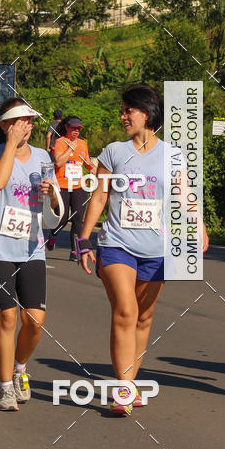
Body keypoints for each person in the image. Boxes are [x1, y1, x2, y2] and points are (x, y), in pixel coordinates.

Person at [79, 85, 208, 415]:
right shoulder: (113, 152)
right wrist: (83, 239)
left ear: (147, 114)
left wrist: (199, 224)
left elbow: (182, 194)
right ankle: (123, 389)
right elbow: (99, 197)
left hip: (156, 248)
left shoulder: (172, 155)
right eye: (122, 110)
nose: (123, 116)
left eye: (128, 110)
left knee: (143, 316)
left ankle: (130, 382)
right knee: (125, 311)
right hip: (116, 244)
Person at [0, 98, 61, 411]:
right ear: (5, 124)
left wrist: (52, 193)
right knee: (7, 318)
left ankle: (20, 369)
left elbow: (53, 205)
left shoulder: (42, 156)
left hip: (31, 247)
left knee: (36, 321)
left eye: (30, 121)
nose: (27, 126)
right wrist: (10, 145)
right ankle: (4, 388)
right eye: (20, 121)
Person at [47, 116, 95, 260]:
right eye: (73, 128)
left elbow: (86, 161)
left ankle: (75, 250)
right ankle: (53, 234)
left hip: (78, 185)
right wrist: (69, 149)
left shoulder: (83, 143)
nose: (75, 131)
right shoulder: (60, 142)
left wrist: (94, 168)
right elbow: (58, 161)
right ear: (67, 127)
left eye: (78, 129)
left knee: (78, 217)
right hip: (62, 185)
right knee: (62, 218)